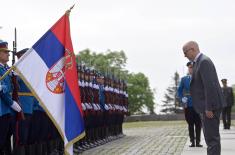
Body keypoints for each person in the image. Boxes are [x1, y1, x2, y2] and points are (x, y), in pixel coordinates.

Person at [182, 41, 224, 155]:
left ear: (192, 49)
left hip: (210, 107)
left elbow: (209, 86)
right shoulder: (199, 62)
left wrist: (209, 107)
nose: (184, 55)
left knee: (212, 140)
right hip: (207, 106)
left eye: (185, 52)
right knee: (210, 138)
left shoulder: (203, 61)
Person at [0, 40, 22, 154]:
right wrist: (12, 103)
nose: (8, 54)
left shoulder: (5, 68)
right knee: (1, 141)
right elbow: (3, 90)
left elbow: (13, 88)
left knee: (7, 140)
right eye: (5, 52)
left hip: (8, 110)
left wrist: (15, 78)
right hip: (2, 109)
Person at [177, 62, 202, 147]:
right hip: (188, 103)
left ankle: (198, 142)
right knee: (190, 123)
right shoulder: (184, 79)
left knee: (198, 123)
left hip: (198, 104)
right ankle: (192, 141)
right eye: (190, 68)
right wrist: (182, 98)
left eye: (192, 67)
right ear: (188, 69)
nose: (191, 69)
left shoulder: (199, 78)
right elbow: (179, 90)